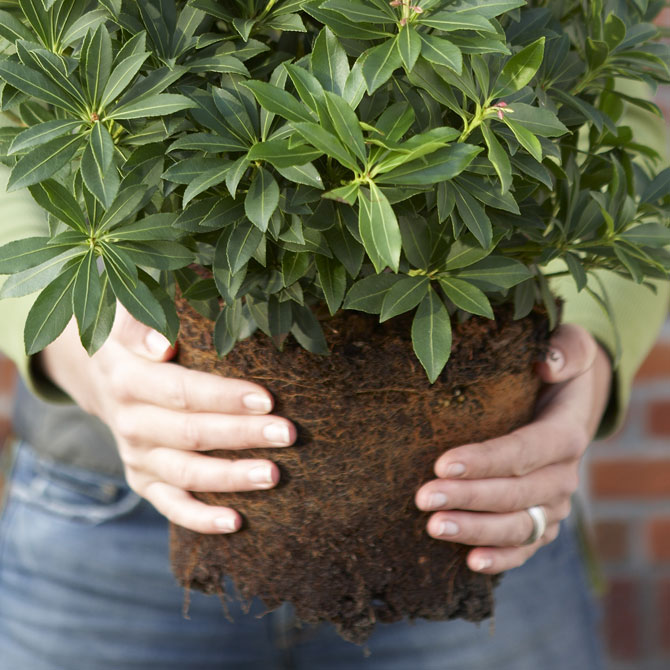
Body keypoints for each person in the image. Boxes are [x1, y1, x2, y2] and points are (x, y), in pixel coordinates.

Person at [0, 114, 668, 667]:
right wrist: (82, 347)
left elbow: (614, 106)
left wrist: (588, 352)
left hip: (474, 516)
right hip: (103, 519)